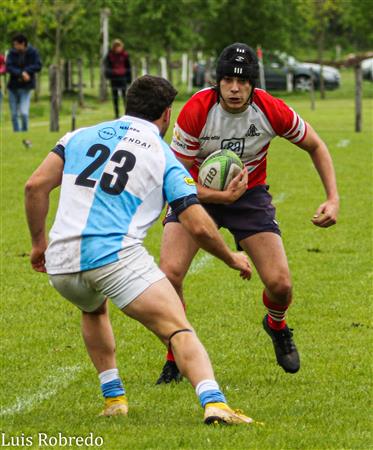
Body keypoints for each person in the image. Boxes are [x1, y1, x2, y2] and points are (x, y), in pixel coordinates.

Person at [24, 75, 256, 425]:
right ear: (166, 114)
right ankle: (216, 403)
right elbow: (196, 223)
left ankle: (114, 398)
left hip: (62, 263)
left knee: (93, 309)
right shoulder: (164, 155)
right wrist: (231, 256)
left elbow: (34, 186)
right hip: (114, 257)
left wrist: (39, 243)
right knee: (178, 329)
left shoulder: (76, 137)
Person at [156, 43, 340, 384]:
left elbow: (315, 145)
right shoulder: (198, 108)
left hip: (249, 196)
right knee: (170, 273)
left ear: (254, 84)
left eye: (242, 81)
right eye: (227, 80)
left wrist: (332, 197)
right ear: (217, 82)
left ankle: (277, 324)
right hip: (195, 193)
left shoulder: (270, 109)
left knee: (280, 284)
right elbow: (173, 178)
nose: (235, 88)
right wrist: (215, 194)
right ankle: (176, 356)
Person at [6, 34, 42, 132]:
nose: (15, 47)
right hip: (13, 87)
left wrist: (27, 71)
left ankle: (24, 131)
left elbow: (38, 65)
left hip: (26, 87)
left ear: (23, 44)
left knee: (23, 112)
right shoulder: (11, 53)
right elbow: (9, 66)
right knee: (14, 114)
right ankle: (16, 132)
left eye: (16, 44)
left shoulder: (33, 52)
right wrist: (21, 73)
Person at [104, 39, 132, 119]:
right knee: (115, 97)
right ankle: (116, 114)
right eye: (117, 47)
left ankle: (127, 114)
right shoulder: (110, 55)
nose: (118, 49)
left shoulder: (125, 55)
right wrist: (110, 74)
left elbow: (128, 67)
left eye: (119, 47)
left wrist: (129, 79)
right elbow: (107, 67)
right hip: (114, 78)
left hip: (123, 78)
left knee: (125, 96)